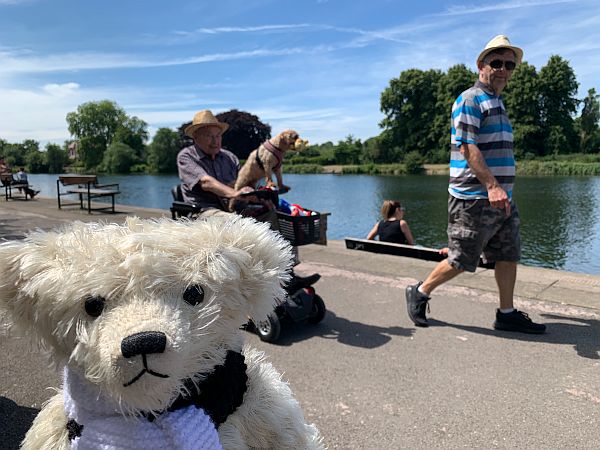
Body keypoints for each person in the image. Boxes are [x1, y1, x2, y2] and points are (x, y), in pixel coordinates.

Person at [405, 35, 545, 334]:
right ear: (481, 65)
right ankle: (420, 292)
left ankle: (506, 314)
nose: (503, 69)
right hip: (474, 197)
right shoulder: (470, 99)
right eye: (496, 63)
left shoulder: (497, 102)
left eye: (509, 64)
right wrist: (492, 186)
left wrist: (500, 191)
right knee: (461, 260)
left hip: (501, 198)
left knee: (508, 254)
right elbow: (468, 147)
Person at [177, 109, 318, 287]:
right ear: (196, 137)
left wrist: (255, 195)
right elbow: (206, 182)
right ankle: (254, 281)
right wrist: (235, 193)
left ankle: (287, 274)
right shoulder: (187, 157)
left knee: (275, 215)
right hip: (204, 211)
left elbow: (244, 182)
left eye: (218, 136)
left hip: (233, 207)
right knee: (242, 225)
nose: (215, 141)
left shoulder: (229, 158)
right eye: (208, 136)